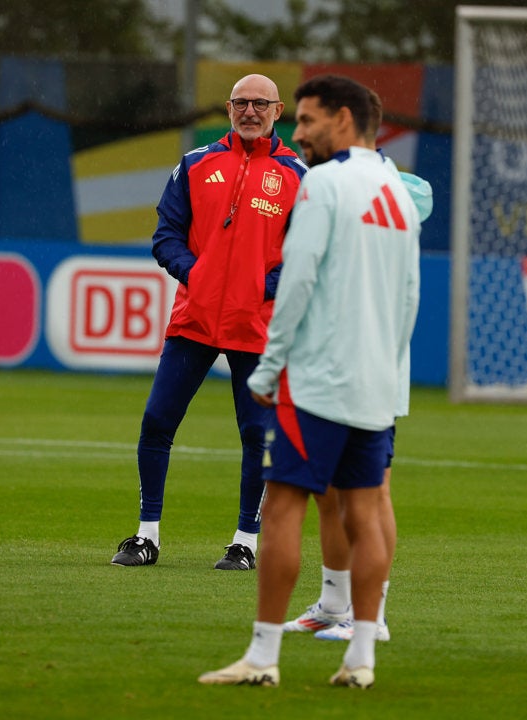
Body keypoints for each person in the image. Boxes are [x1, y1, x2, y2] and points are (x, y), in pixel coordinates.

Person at [198, 74, 421, 689]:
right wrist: (387, 367)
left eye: (308, 120)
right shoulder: (400, 194)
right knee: (366, 512)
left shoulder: (322, 183)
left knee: (283, 509)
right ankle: (361, 659)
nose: (298, 132)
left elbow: (296, 282)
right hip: (376, 383)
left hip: (317, 380)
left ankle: (263, 657)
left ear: (344, 120)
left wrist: (269, 368)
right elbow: (409, 296)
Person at [110, 74, 306, 570]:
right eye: (241, 102)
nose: (250, 111)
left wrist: (259, 288)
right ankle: (145, 535)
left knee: (256, 436)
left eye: (261, 104)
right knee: (157, 421)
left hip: (256, 327)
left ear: (278, 110)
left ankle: (245, 542)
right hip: (194, 319)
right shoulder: (196, 164)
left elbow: (307, 255)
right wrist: (197, 274)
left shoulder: (298, 176)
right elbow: (166, 235)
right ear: (228, 107)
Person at [283, 90, 433, 643]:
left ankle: (373, 615)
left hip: (372, 363)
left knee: (372, 494)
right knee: (329, 492)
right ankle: (333, 602)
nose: (302, 135)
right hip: (333, 363)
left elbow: (421, 202)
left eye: (309, 121)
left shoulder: (391, 186)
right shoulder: (333, 180)